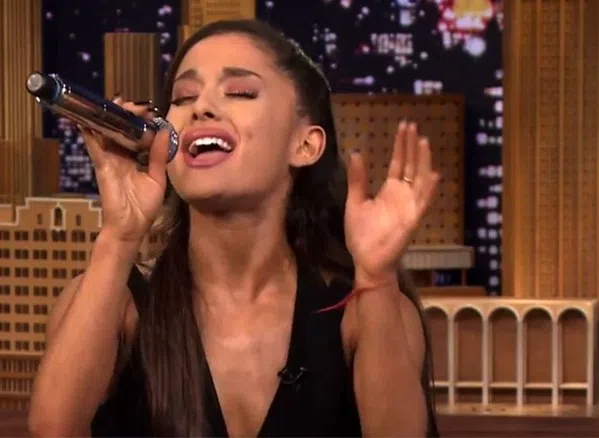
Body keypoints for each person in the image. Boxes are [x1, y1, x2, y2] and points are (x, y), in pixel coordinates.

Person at [29, 19, 441, 438]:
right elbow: (53, 428)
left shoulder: (361, 309)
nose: (201, 107)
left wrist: (376, 277)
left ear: (305, 145)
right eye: (183, 97)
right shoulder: (117, 302)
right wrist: (120, 234)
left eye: (240, 92)